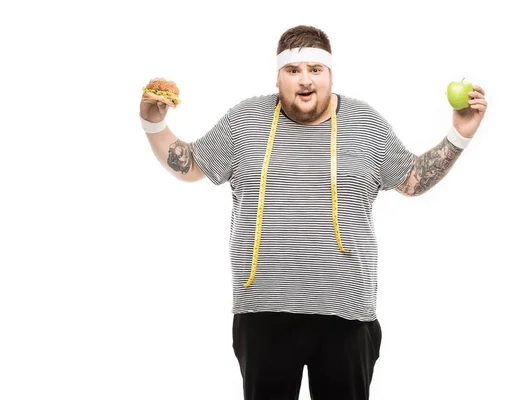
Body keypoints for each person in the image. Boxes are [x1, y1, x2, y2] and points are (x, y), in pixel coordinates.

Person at [139, 25, 487, 400]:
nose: (305, 81)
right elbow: (190, 164)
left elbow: (413, 180)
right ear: (278, 78)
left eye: (315, 70)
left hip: (348, 315)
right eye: (293, 71)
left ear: (330, 74)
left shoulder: (366, 124)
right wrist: (153, 123)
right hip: (263, 314)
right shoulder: (245, 121)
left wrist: (459, 135)